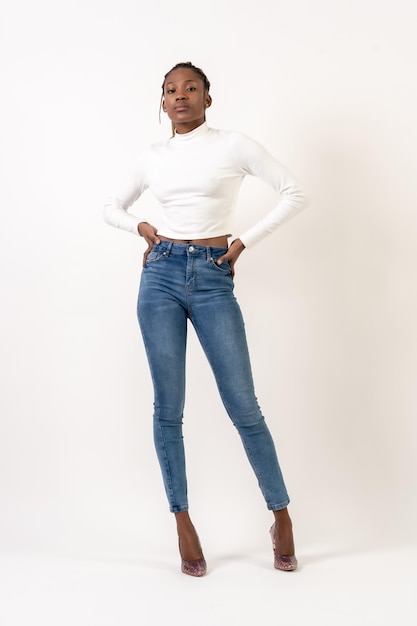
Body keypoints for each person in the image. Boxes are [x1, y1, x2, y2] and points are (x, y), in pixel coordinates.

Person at [104, 61, 307, 577]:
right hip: (162, 275)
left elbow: (295, 192)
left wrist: (243, 242)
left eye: (190, 88)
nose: (180, 96)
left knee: (243, 403)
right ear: (163, 101)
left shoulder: (232, 145)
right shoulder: (153, 157)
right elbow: (110, 206)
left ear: (208, 98)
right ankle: (182, 520)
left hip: (214, 275)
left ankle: (280, 514)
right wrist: (140, 226)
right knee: (167, 407)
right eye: (170, 90)